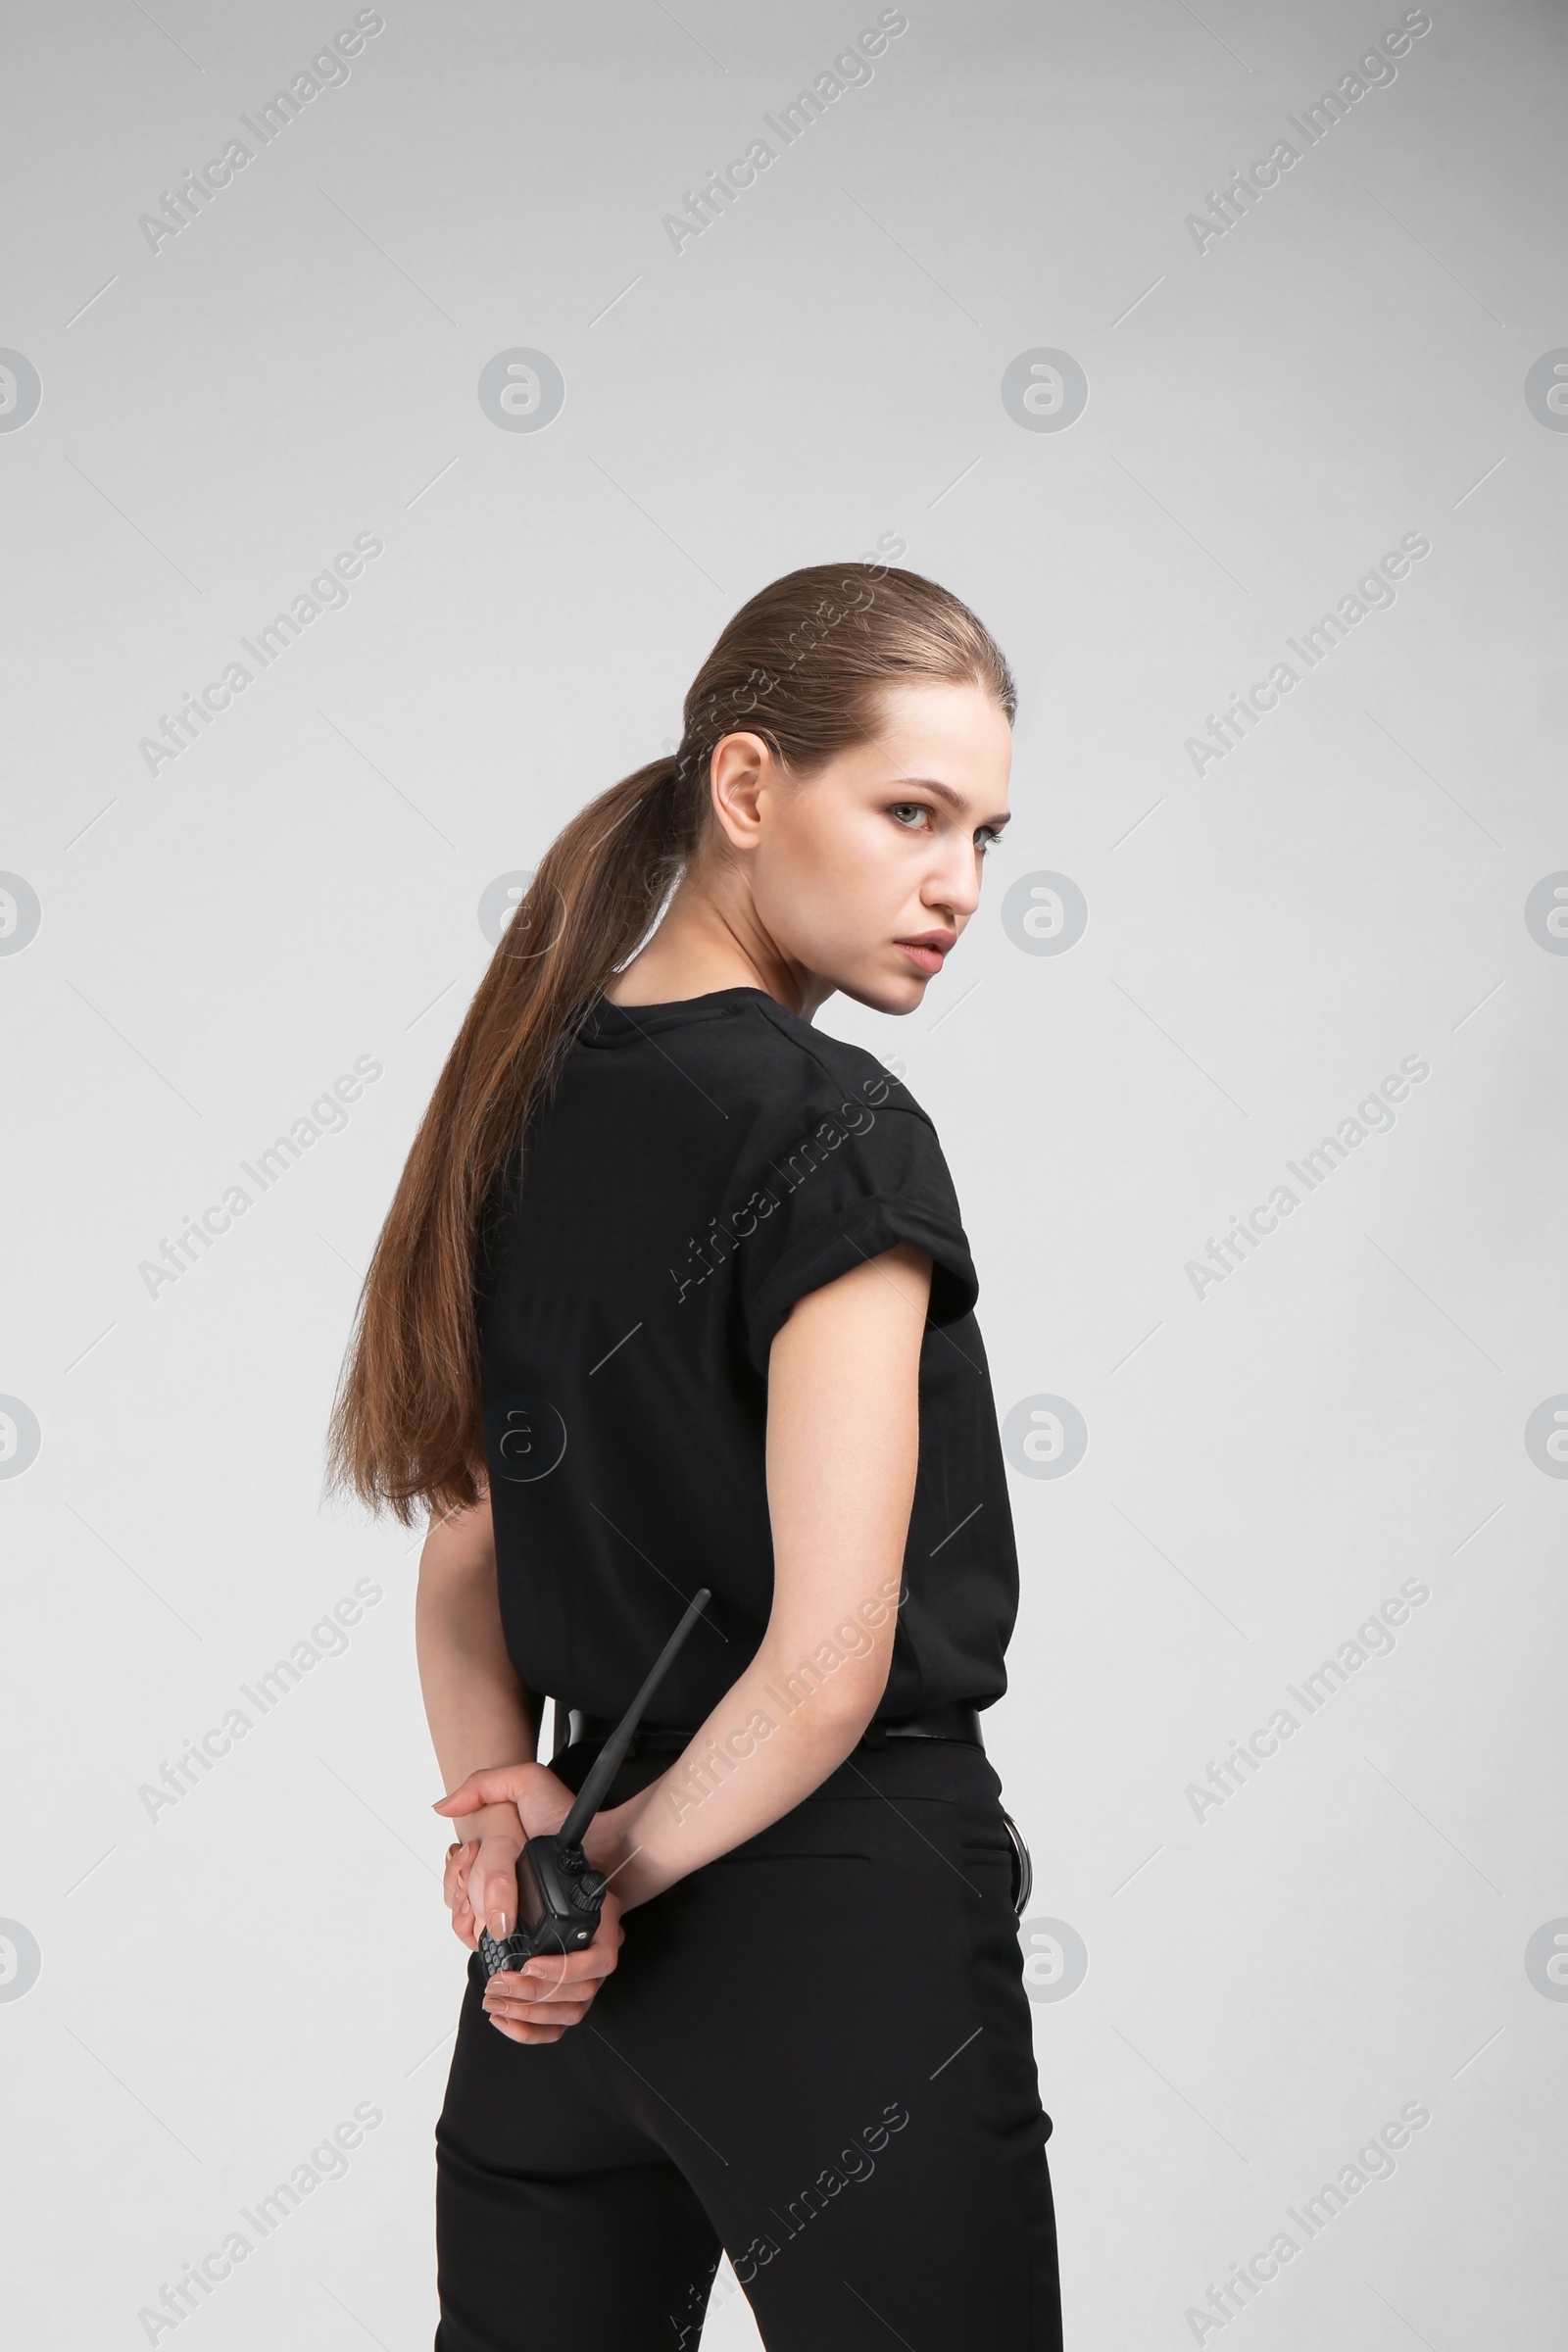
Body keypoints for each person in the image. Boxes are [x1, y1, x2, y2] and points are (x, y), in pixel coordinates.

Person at [326, 562, 1063, 2350]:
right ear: (747, 790)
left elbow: (462, 1563)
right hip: (832, 1916)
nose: (959, 884)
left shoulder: (520, 1098)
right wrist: (613, 1882)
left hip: (564, 1972)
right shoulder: (838, 1133)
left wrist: (528, 1848)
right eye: (910, 813)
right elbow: (825, 1662)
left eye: (984, 832)